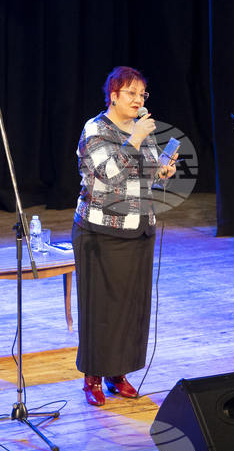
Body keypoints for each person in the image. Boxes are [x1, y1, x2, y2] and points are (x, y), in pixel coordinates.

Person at [72, 66, 177, 407]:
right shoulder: (95, 129)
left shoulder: (142, 128)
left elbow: (145, 175)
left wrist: (162, 170)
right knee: (101, 308)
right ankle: (92, 377)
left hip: (140, 227)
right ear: (113, 95)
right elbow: (109, 174)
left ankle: (118, 374)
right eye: (131, 93)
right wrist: (135, 139)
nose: (138, 100)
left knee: (132, 307)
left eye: (142, 94)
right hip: (102, 231)